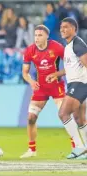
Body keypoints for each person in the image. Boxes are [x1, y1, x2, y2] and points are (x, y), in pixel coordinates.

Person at [20, 25, 67, 158]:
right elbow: (25, 72)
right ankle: (32, 150)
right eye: (35, 35)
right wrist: (31, 81)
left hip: (56, 86)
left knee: (65, 115)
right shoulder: (30, 50)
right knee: (30, 118)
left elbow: (70, 65)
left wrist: (57, 74)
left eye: (40, 35)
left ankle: (77, 148)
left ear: (47, 36)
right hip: (41, 88)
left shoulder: (57, 47)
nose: (37, 38)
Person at [58, 17, 87, 159]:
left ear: (74, 29)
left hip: (80, 83)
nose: (62, 29)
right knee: (79, 118)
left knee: (63, 114)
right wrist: (56, 74)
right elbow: (71, 67)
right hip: (76, 83)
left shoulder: (77, 44)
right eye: (61, 27)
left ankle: (79, 146)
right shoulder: (69, 46)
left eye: (66, 27)